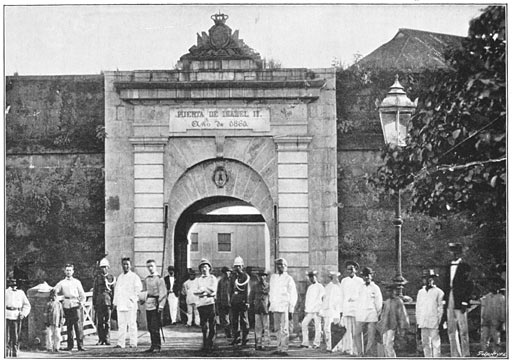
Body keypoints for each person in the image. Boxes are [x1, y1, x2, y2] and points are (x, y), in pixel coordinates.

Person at [446, 242, 473, 357]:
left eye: (456, 251)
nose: (454, 253)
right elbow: (445, 284)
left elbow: (469, 285)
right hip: (449, 298)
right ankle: (455, 355)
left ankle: (465, 355)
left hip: (460, 299)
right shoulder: (448, 266)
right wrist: (445, 300)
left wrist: (465, 301)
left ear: (460, 252)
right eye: (452, 251)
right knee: (451, 329)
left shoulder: (465, 266)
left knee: (463, 330)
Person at [333, 260, 364, 355]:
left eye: (351, 269)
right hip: (346, 309)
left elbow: (362, 295)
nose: (349, 271)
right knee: (347, 330)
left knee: (357, 331)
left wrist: (355, 299)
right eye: (348, 269)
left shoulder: (360, 281)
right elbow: (341, 296)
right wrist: (341, 311)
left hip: (356, 309)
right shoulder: (344, 281)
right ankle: (347, 349)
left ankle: (357, 350)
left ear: (355, 270)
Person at [54, 263, 86, 352]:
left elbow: (82, 295)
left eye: (70, 270)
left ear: (73, 271)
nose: (68, 272)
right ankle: (70, 346)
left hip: (75, 305)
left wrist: (81, 303)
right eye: (67, 270)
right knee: (69, 326)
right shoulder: (62, 283)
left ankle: (80, 345)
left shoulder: (76, 282)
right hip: (66, 305)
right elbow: (54, 290)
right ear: (65, 271)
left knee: (77, 326)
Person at [269, 257, 298, 356]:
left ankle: (284, 349)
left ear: (286, 267)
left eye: (282, 265)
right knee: (277, 328)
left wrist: (291, 309)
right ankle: (279, 347)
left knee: (285, 329)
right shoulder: (273, 277)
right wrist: (271, 305)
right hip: (276, 306)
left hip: (285, 306)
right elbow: (271, 292)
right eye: (278, 264)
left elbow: (293, 294)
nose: (280, 266)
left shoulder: (289, 278)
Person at [113, 257, 143, 349]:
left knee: (132, 324)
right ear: (122, 265)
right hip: (121, 304)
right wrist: (115, 303)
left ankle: (133, 343)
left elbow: (138, 290)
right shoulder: (120, 277)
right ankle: (120, 343)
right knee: (121, 324)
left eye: (127, 264)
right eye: (124, 264)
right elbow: (117, 291)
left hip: (130, 304)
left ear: (130, 265)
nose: (125, 266)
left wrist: (132, 299)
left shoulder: (134, 277)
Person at [354, 267, 382, 357]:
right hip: (361, 314)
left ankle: (368, 354)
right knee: (356, 334)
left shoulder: (375, 288)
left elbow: (379, 303)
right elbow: (357, 300)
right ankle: (359, 353)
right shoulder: (360, 287)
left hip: (371, 314)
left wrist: (377, 314)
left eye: (368, 275)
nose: (366, 277)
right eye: (364, 276)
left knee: (371, 336)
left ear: (371, 276)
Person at [416, 269, 444, 358]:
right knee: (425, 343)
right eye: (426, 278)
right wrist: (418, 322)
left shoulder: (439, 292)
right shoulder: (421, 292)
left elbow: (441, 308)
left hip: (434, 321)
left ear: (433, 279)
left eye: (430, 278)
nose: (428, 280)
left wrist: (440, 322)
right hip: (423, 321)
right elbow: (418, 307)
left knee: (436, 344)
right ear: (423, 280)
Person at [193, 258, 218, 352]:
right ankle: (205, 344)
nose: (204, 269)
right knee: (203, 325)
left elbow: (213, 290)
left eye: (206, 267)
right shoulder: (198, 280)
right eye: (202, 267)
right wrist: (205, 291)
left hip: (210, 303)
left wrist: (203, 290)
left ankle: (210, 343)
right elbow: (195, 291)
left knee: (212, 325)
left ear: (209, 268)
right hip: (201, 304)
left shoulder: (212, 278)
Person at [142, 259, 167, 353]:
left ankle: (157, 345)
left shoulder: (159, 279)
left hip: (156, 304)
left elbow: (163, 293)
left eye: (152, 266)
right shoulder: (146, 279)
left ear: (155, 266)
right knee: (150, 326)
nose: (150, 268)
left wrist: (161, 306)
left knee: (155, 326)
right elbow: (144, 291)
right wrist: (142, 298)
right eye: (148, 266)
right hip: (148, 303)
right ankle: (153, 345)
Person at [379, 284, 410, 357]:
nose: (388, 293)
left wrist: (402, 327)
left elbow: (402, 314)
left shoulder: (398, 301)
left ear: (394, 291)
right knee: (384, 345)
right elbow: (383, 314)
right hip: (385, 326)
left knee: (389, 344)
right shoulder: (387, 302)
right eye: (387, 291)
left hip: (393, 326)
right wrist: (381, 324)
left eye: (390, 291)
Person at [6, 275, 31, 357]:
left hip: (16, 315)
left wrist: (23, 314)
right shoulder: (5, 292)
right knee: (6, 334)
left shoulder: (21, 293)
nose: (14, 286)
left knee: (16, 335)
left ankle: (15, 350)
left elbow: (27, 305)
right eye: (12, 284)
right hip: (6, 314)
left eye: (15, 284)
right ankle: (6, 350)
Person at [92, 257, 116, 345]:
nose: (104, 269)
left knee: (107, 321)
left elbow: (113, 291)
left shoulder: (111, 278)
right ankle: (100, 339)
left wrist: (113, 302)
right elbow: (95, 291)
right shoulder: (97, 278)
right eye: (102, 267)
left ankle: (107, 338)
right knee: (100, 321)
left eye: (105, 267)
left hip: (108, 302)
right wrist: (94, 303)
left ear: (108, 268)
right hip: (99, 302)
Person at [300, 270, 325, 349]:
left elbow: (323, 298)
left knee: (318, 327)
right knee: (304, 324)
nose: (311, 279)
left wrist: (321, 310)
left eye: (313, 277)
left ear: (316, 277)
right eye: (310, 277)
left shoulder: (320, 287)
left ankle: (316, 343)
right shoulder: (310, 287)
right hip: (310, 310)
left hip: (317, 310)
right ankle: (305, 343)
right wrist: (306, 310)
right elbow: (308, 300)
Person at [480, 277, 506, 353]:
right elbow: (484, 310)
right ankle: (484, 352)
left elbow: (502, 311)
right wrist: (483, 320)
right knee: (484, 338)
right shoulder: (487, 297)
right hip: (486, 321)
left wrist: (502, 322)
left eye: (495, 285)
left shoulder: (501, 298)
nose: (493, 287)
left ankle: (496, 353)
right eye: (491, 285)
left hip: (496, 322)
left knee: (496, 339)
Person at [230, 256, 251, 346]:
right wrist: (231, 299)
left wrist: (247, 301)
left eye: (239, 266)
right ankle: (236, 337)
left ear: (242, 266)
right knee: (234, 320)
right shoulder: (233, 276)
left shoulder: (245, 276)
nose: (237, 268)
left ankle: (245, 338)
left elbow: (247, 290)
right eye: (236, 266)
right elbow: (231, 289)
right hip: (234, 300)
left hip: (242, 301)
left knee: (244, 320)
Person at [320, 271, 342, 352]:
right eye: (335, 277)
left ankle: (337, 346)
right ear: (332, 278)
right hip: (329, 310)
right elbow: (325, 299)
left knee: (336, 328)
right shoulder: (328, 287)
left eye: (337, 277)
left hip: (336, 310)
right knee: (327, 328)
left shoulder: (338, 287)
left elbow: (340, 300)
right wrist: (324, 309)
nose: (337, 279)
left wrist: (339, 310)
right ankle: (329, 346)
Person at [249, 270, 270, 350]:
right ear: (258, 277)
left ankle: (267, 344)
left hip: (266, 309)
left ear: (265, 276)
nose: (261, 277)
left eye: (263, 275)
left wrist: (270, 307)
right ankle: (258, 343)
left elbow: (271, 297)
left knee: (266, 326)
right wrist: (251, 305)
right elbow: (251, 297)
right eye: (260, 276)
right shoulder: (255, 286)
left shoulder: (268, 286)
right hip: (257, 308)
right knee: (258, 327)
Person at [45, 289, 65, 353]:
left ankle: (56, 347)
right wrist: (46, 321)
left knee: (57, 336)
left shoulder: (59, 304)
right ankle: (49, 347)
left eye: (55, 295)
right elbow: (45, 313)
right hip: (50, 322)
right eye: (52, 295)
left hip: (57, 322)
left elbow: (62, 314)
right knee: (49, 335)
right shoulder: (48, 304)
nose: (54, 297)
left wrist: (61, 322)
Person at [216, 266, 233, 339]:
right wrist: (219, 302)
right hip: (223, 303)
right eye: (226, 272)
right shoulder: (221, 281)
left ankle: (234, 333)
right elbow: (218, 292)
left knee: (232, 319)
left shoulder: (233, 281)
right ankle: (228, 333)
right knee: (225, 319)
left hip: (232, 303)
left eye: (229, 272)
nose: (227, 273)